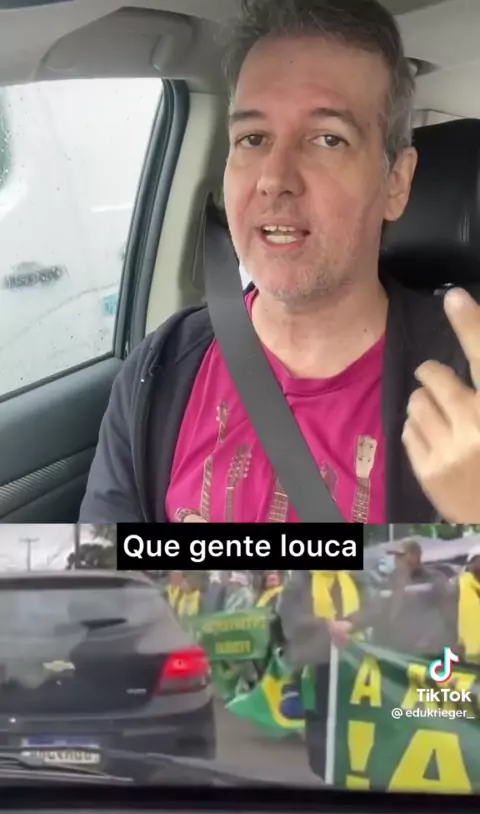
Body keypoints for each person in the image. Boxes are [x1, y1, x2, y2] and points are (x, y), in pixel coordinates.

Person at [79, 0, 480, 526]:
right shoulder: (160, 370)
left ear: (396, 183)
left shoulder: (467, 385)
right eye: (253, 138)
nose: (274, 178)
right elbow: (101, 575)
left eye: (328, 139)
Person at [279, 569, 364, 777]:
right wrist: (326, 625)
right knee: (319, 720)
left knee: (351, 719)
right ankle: (322, 773)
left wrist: (351, 624)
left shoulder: (353, 578)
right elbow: (291, 623)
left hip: (351, 662)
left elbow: (374, 609)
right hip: (314, 663)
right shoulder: (298, 582)